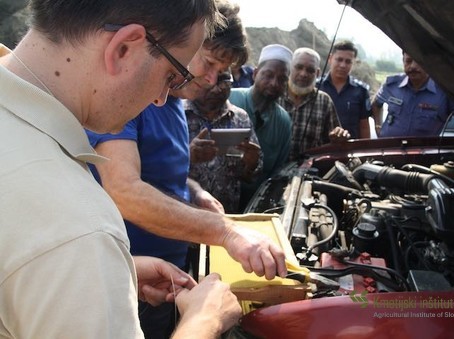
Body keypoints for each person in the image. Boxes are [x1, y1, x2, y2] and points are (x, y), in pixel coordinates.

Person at [0, 0, 242, 338]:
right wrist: (205, 321)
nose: (162, 97)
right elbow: (63, 243)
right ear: (124, 48)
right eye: (172, 75)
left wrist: (112, 272)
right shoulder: (79, 230)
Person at [85, 2, 287, 337]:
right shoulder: (131, 96)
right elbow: (123, 191)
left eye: (221, 70)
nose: (211, 80)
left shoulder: (174, 102)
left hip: (165, 274)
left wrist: (196, 192)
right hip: (129, 276)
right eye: (208, 62)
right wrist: (225, 231)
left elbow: (165, 176)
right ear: (185, 42)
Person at [185, 69, 262, 213]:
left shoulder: (241, 118)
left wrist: (251, 163)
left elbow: (249, 177)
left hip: (225, 216)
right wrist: (187, 156)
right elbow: (157, 169)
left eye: (223, 84)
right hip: (183, 212)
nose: (215, 90)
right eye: (209, 84)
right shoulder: (179, 115)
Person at [229, 43, 293, 210]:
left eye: (282, 79)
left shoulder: (284, 122)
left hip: (253, 206)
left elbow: (277, 172)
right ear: (255, 73)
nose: (273, 83)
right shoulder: (229, 99)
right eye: (268, 75)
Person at [278, 47, 350, 162]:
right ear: (290, 67)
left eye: (310, 70)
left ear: (317, 73)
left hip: (307, 173)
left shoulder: (324, 101)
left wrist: (339, 135)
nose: (303, 74)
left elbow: (335, 140)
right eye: (299, 67)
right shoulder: (275, 94)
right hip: (271, 171)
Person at [372, 52, 454, 137]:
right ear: (403, 61)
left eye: (419, 61)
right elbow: (376, 104)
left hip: (424, 149)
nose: (413, 66)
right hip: (390, 148)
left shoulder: (444, 92)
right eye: (408, 61)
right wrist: (378, 126)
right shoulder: (391, 85)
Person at [320, 40, 372, 139]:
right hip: (320, 150)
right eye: (339, 60)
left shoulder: (361, 91)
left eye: (348, 61)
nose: (343, 65)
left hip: (349, 150)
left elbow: (364, 126)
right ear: (330, 59)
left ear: (354, 63)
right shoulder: (317, 87)